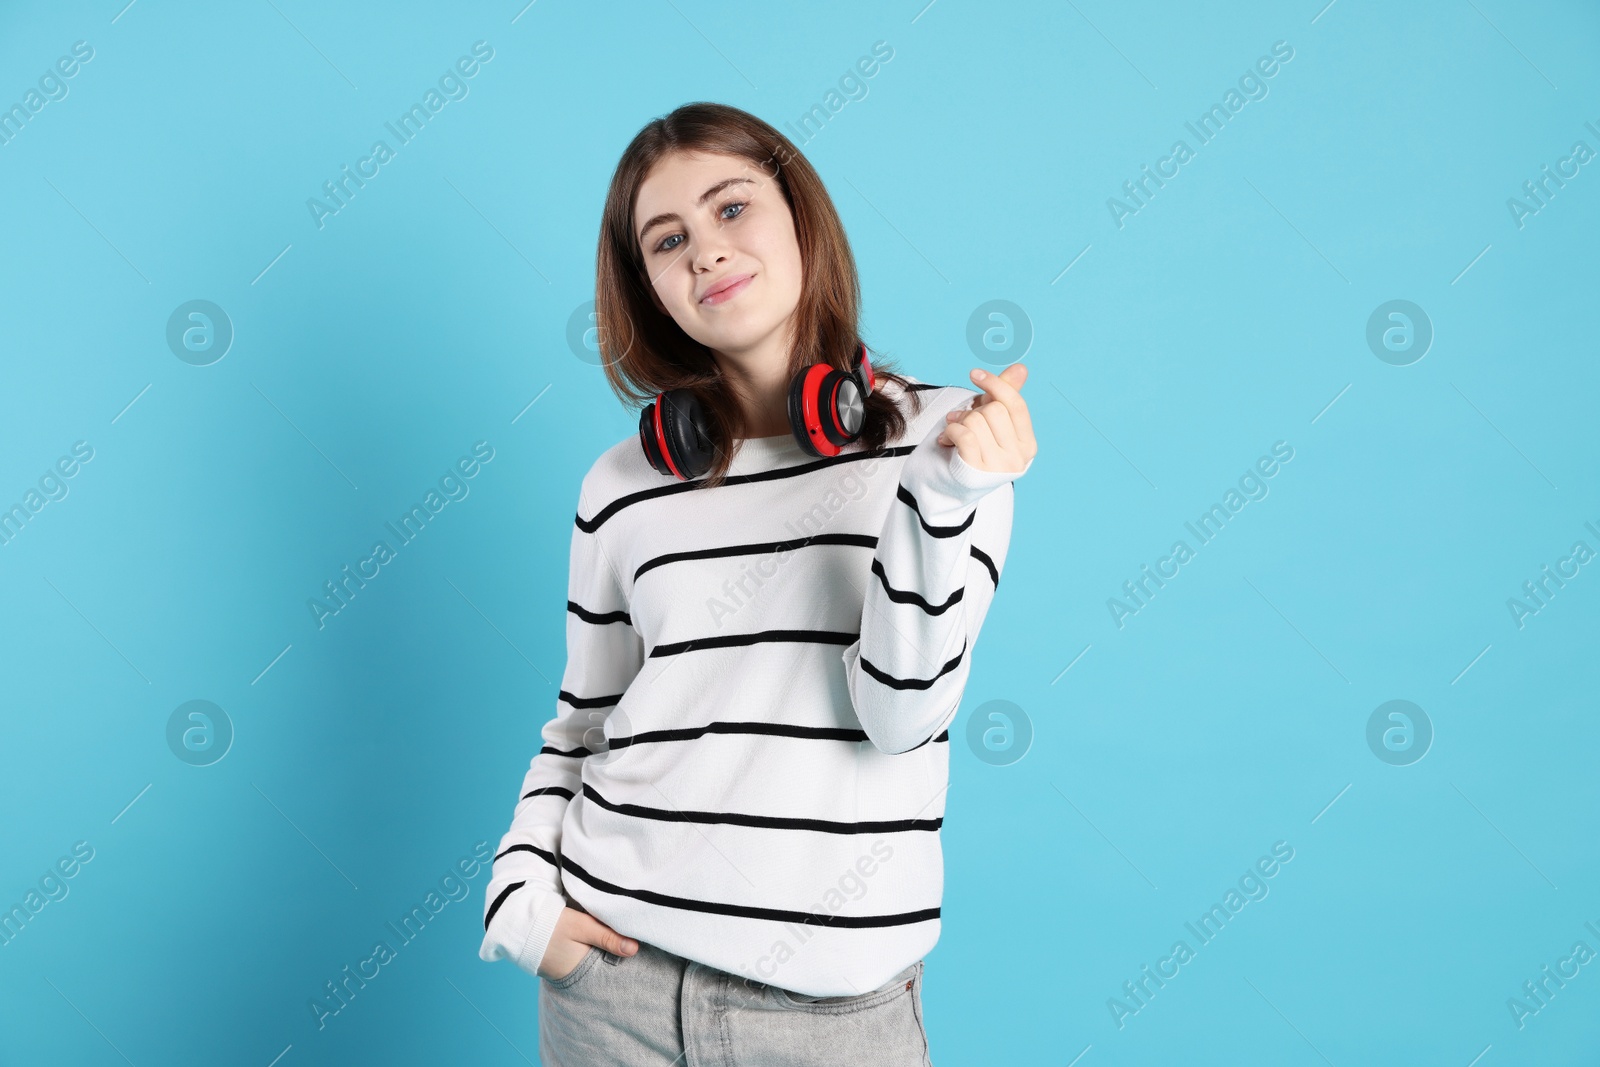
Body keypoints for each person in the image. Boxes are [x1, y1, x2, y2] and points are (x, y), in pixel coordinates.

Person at [478, 101, 1037, 1066]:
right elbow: (581, 724)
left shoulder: (946, 443)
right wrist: (523, 902)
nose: (705, 251)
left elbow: (902, 711)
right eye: (668, 239)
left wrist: (944, 494)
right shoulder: (620, 487)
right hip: (611, 991)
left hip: (824, 1020)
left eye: (731, 208)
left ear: (799, 219)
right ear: (646, 283)